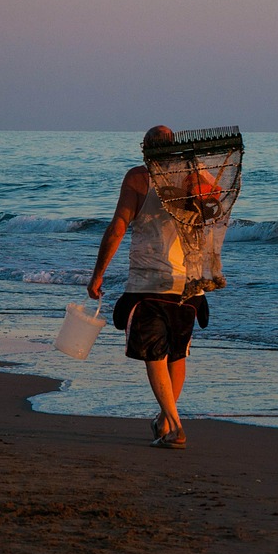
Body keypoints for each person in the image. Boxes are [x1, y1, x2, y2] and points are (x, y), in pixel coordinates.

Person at [88, 125, 207, 449]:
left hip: (148, 282)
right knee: (177, 355)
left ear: (145, 149)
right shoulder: (193, 177)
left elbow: (118, 227)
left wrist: (98, 273)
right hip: (189, 285)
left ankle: (176, 425)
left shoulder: (138, 178)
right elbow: (213, 208)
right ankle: (164, 420)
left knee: (155, 355)